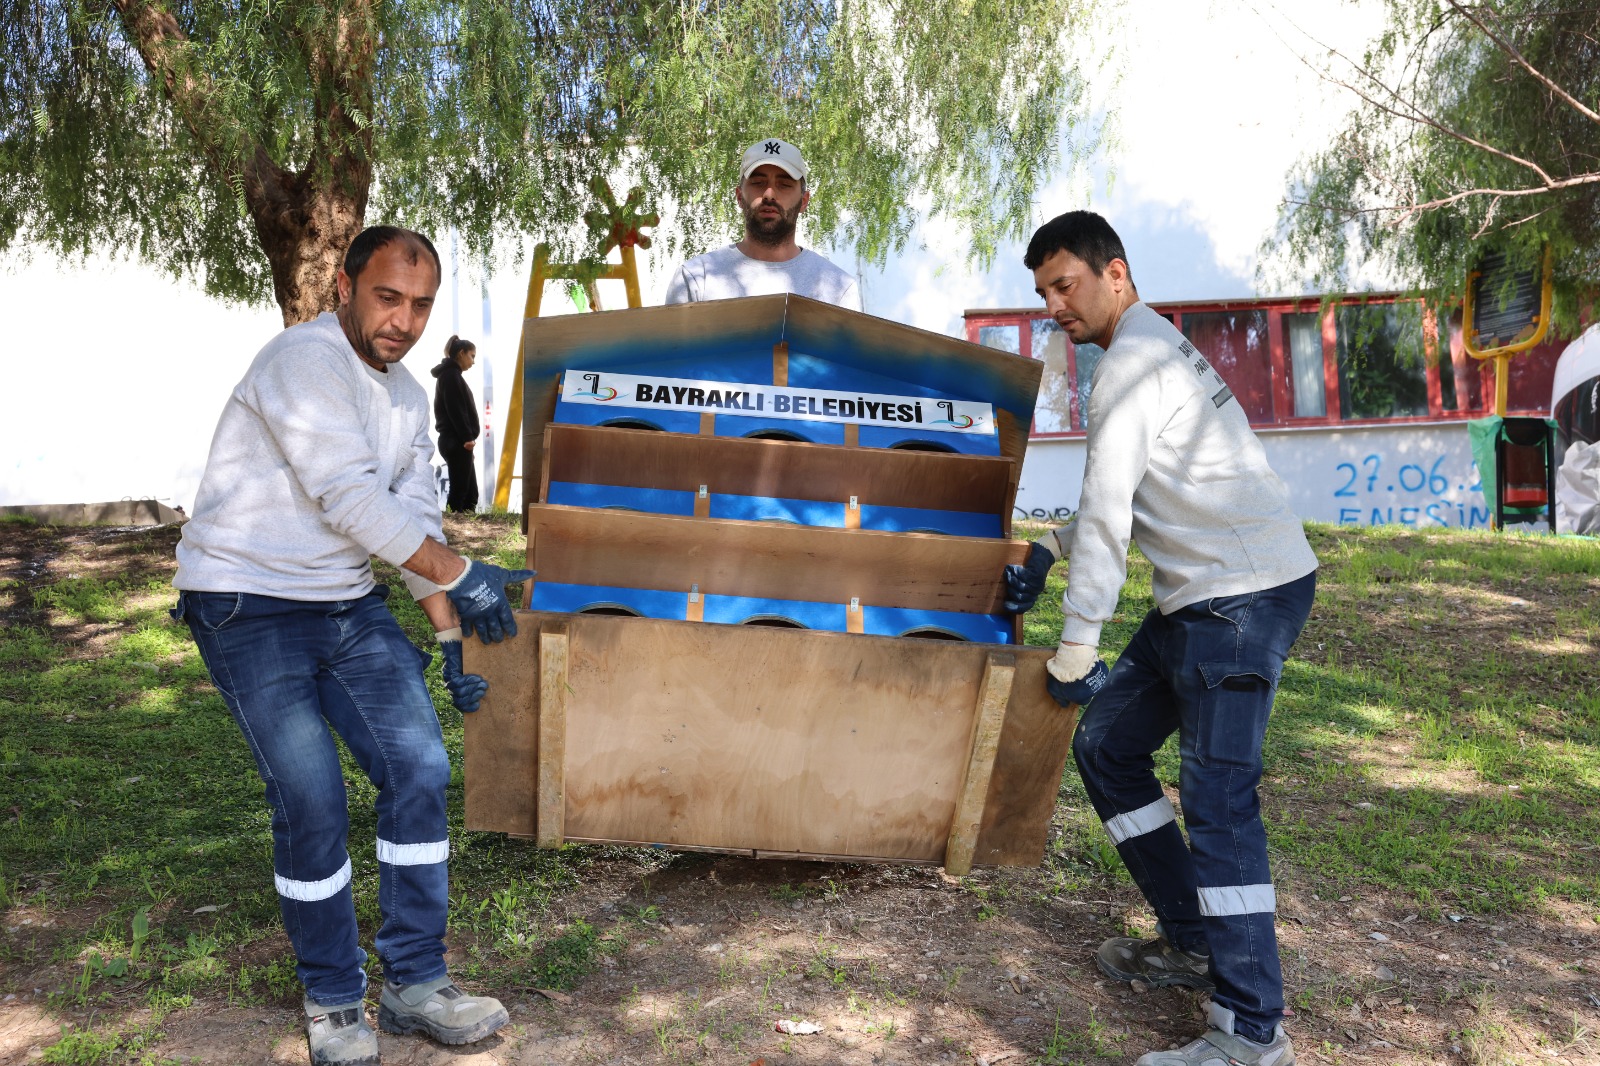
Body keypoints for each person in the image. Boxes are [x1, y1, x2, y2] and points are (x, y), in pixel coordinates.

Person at [172, 226, 533, 1066]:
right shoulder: (302, 362)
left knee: (421, 768)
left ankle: (414, 980)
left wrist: (447, 634)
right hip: (244, 605)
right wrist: (466, 570)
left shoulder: (408, 397)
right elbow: (346, 499)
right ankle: (334, 995)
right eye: (387, 296)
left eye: (420, 304)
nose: (403, 320)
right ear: (344, 284)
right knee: (312, 797)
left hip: (345, 605)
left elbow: (410, 523)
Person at [1003, 211, 1318, 1066]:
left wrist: (1076, 647)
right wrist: (1052, 544)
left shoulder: (1132, 363)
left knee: (1218, 802)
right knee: (1107, 744)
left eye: (1065, 284)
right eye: (1043, 293)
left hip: (1242, 598)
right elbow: (1133, 490)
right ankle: (1193, 941)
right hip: (1206, 592)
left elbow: (1110, 513)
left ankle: (1252, 1032)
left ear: (1117, 274)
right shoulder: (1144, 347)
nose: (1055, 306)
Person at [664, 137, 862, 310]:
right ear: (739, 196)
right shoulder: (697, 278)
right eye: (758, 183)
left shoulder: (838, 288)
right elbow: (673, 352)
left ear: (804, 201)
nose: (769, 194)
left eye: (784, 185)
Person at [431, 335, 481, 513]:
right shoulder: (451, 375)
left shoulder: (451, 375)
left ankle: (466, 527)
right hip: (456, 440)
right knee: (461, 493)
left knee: (470, 494)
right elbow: (456, 409)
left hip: (457, 441)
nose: (473, 361)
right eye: (472, 356)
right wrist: (467, 438)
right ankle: (457, 530)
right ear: (461, 353)